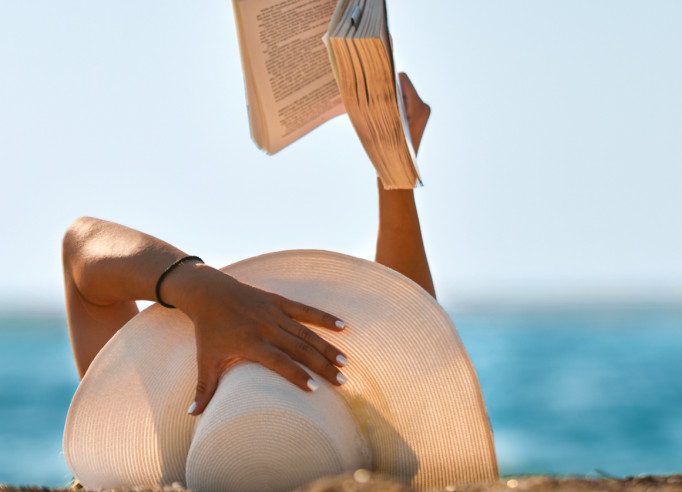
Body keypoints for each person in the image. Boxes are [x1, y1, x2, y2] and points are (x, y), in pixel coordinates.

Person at [60, 75, 497, 492]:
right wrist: (394, 174)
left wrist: (200, 288)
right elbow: (411, 327)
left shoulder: (156, 472)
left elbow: (83, 246)